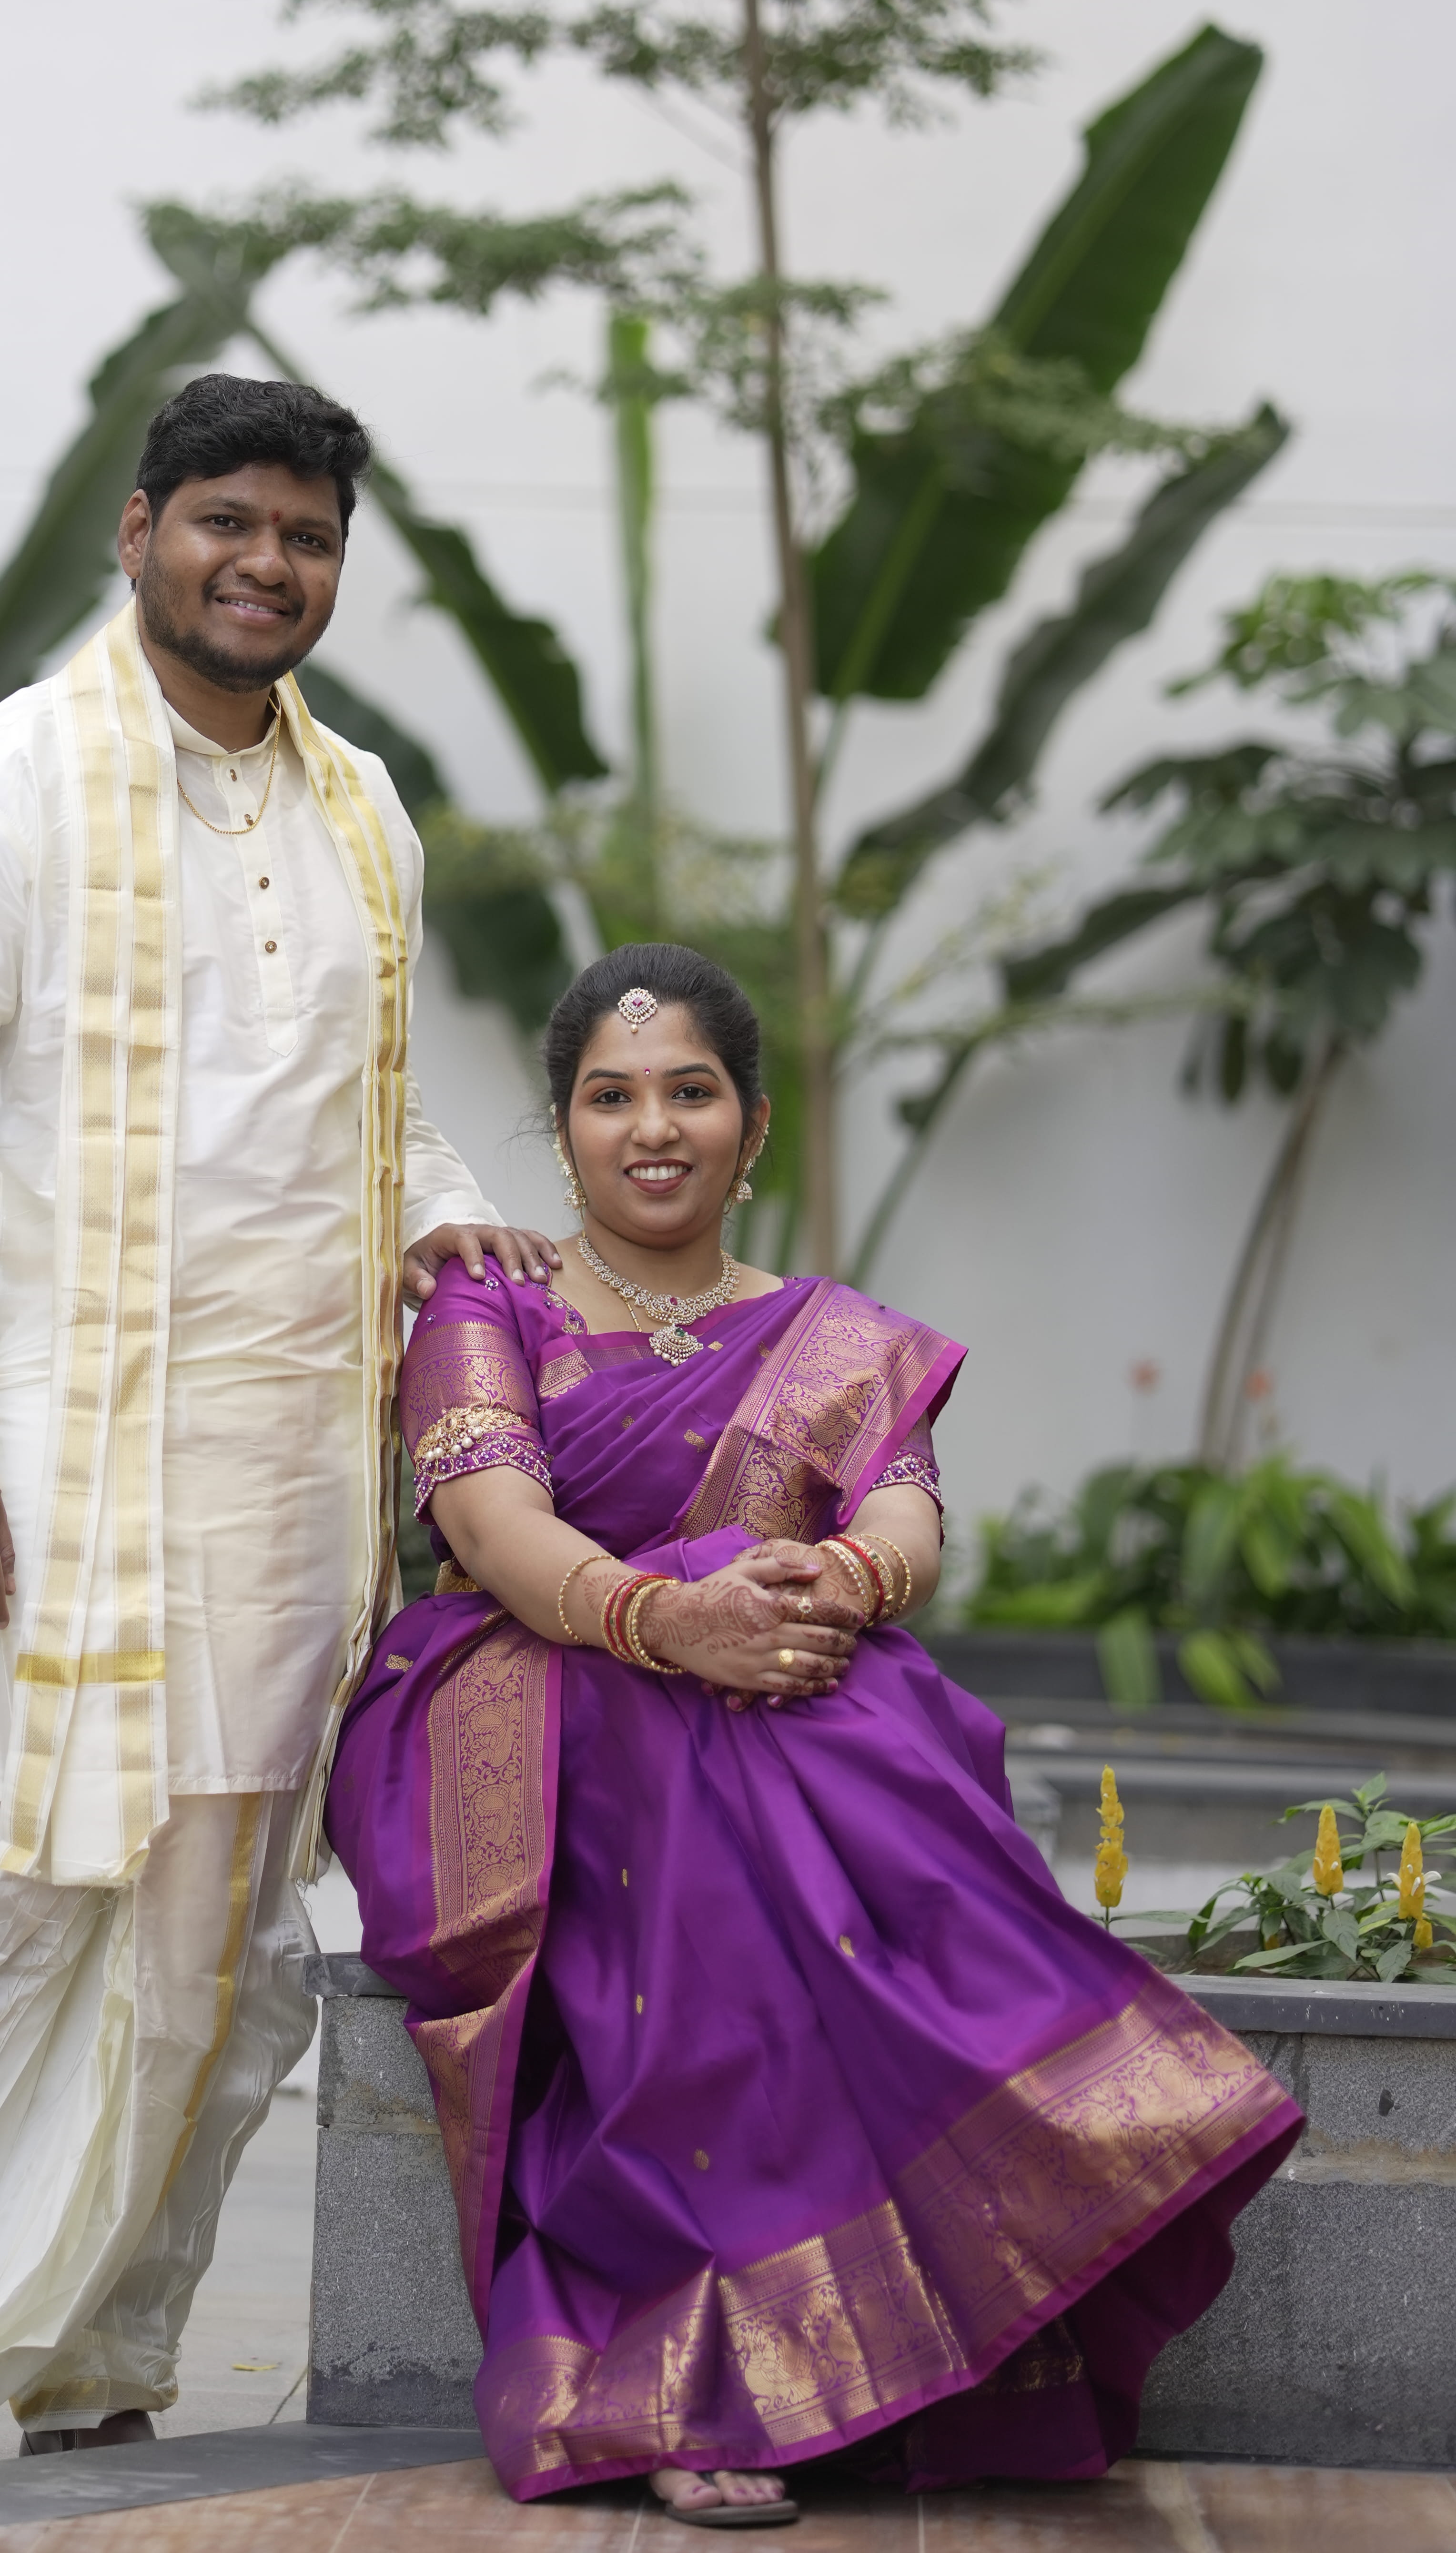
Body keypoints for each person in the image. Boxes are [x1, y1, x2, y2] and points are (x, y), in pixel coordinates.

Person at [0, 373, 548, 2482]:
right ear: (140, 534)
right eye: (227, 521)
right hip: (32, 1473)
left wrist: (459, 1225)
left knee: (223, 1935)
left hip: (282, 1483)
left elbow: (373, 1113)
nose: (264, 564)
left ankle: (97, 2356)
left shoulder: (359, 809)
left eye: (305, 536)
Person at [327, 942, 1301, 2531]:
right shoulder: (488, 1304)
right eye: (610, 1097)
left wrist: (835, 1582)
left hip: (769, 1690)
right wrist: (672, 1618)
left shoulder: (835, 1336)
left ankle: (967, 2237)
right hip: (521, 1688)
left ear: (754, 1123)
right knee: (708, 1750)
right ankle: (681, 2378)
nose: (654, 1128)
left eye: (691, 1092)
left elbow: (905, 1516)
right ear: (564, 1132)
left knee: (847, 1724)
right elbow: (494, 1527)